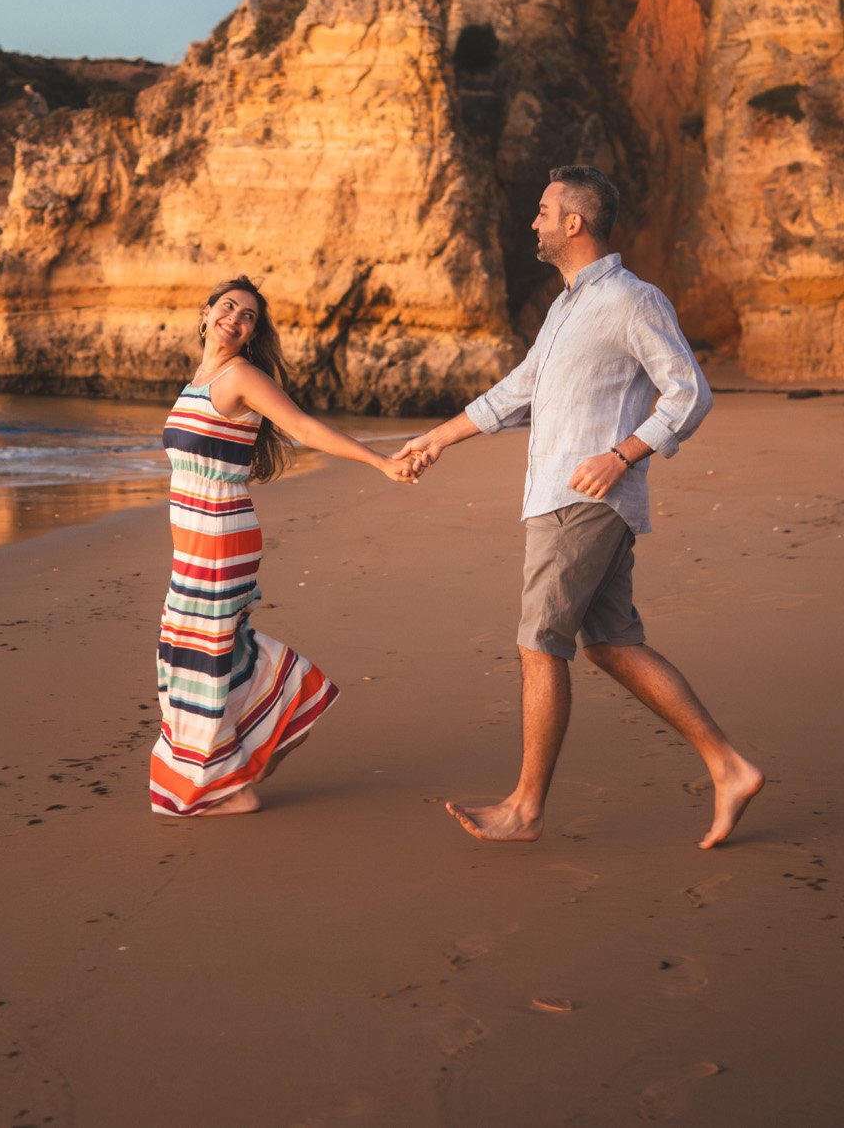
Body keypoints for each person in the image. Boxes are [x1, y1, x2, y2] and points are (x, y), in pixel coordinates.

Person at [403, 166, 764, 848]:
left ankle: (526, 808)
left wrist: (623, 453)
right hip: (559, 497)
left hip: (584, 500)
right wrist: (436, 439)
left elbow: (690, 392)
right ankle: (729, 765)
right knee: (610, 643)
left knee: (539, 641)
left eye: (543, 211)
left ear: (574, 222)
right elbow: (519, 391)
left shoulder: (633, 299)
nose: (533, 222)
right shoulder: (567, 304)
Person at [151, 275, 425, 817]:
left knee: (199, 654)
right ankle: (273, 721)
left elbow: (302, 425)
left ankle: (224, 782)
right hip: (196, 542)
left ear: (251, 334)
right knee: (211, 650)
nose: (234, 318)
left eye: (247, 315)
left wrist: (380, 463)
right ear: (205, 314)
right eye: (227, 307)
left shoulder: (240, 376)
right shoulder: (198, 381)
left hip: (220, 537)